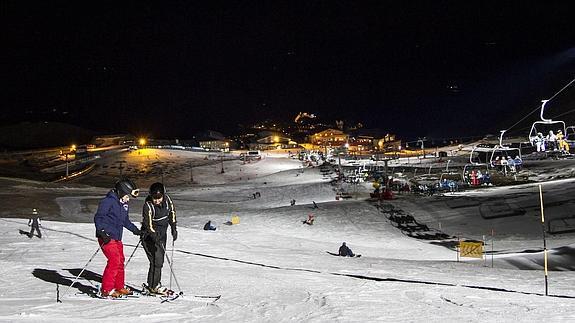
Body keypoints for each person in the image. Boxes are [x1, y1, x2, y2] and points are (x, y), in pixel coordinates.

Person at [94, 178, 141, 298]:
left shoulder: (124, 204)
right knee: (114, 260)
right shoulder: (108, 201)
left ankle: (119, 286)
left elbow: (125, 221)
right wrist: (102, 232)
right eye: (127, 195)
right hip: (106, 237)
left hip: (117, 237)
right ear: (121, 191)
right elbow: (99, 217)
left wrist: (136, 231)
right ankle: (106, 290)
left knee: (120, 261)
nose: (128, 198)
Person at [141, 182, 177, 295]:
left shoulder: (167, 201)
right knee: (157, 261)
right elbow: (148, 224)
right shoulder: (148, 205)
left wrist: (173, 227)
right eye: (154, 198)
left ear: (163, 195)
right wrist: (154, 236)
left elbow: (172, 213)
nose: (156, 201)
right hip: (149, 237)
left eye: (159, 198)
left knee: (158, 262)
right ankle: (154, 285)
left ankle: (153, 284)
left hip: (162, 235)